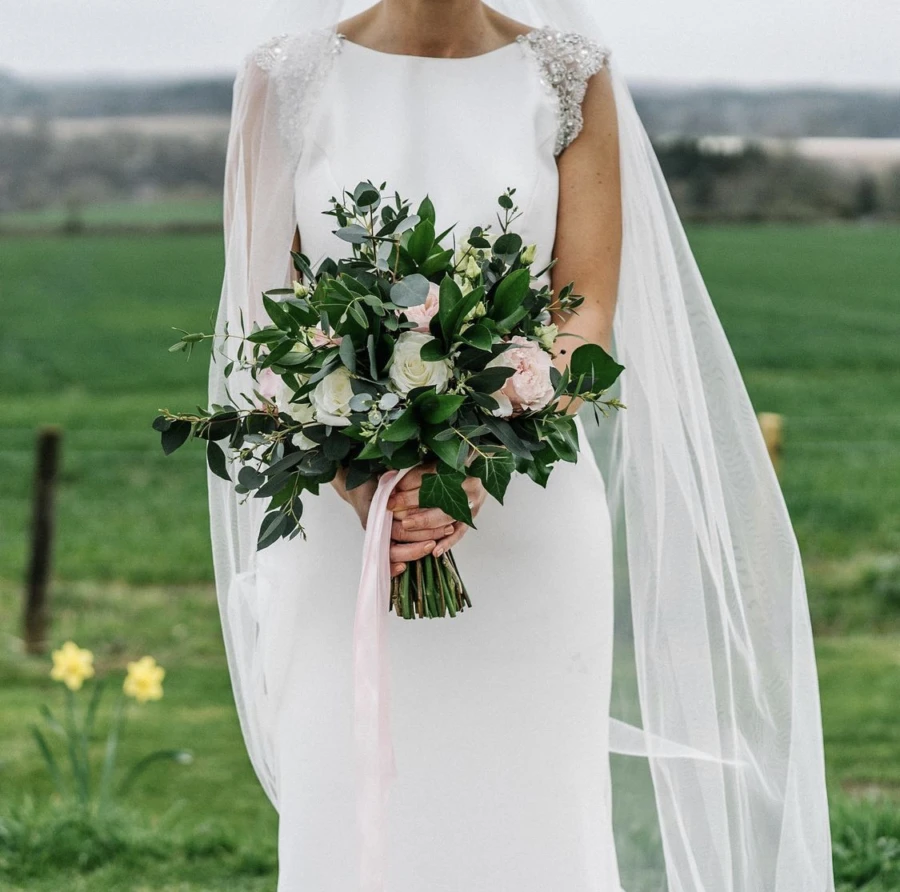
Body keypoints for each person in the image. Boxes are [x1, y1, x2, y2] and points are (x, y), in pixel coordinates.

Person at [208, 2, 835, 890]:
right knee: (355, 799)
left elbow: (586, 315)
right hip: (349, 527)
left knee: (532, 809)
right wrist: (360, 478)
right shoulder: (286, 79)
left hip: (528, 513)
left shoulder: (569, 78)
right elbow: (262, 322)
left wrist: (471, 463)